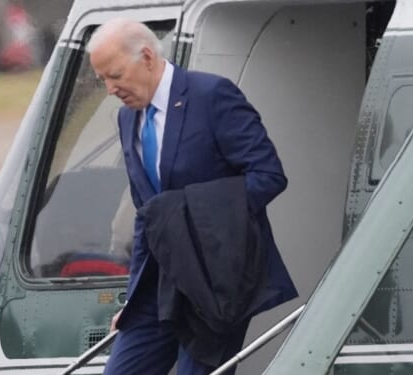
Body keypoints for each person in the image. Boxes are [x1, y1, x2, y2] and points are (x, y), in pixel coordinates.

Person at [87, 18, 298, 374]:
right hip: (160, 283)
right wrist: (134, 297)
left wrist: (188, 212)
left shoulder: (212, 96)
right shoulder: (127, 119)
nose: (110, 89)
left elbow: (268, 176)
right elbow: (149, 216)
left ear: (148, 58)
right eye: (102, 79)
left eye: (116, 75)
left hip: (215, 277)